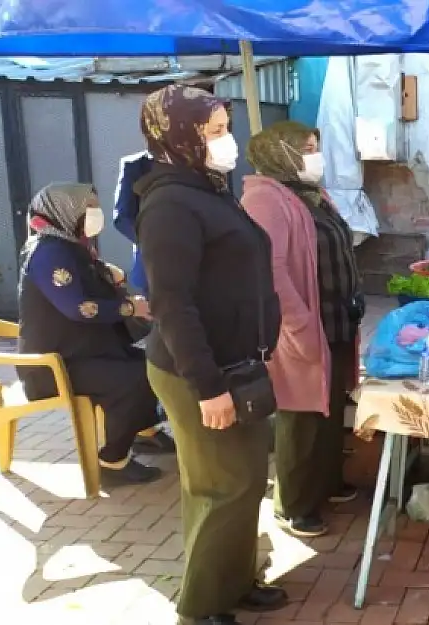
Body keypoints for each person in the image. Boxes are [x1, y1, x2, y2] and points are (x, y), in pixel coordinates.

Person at [135, 85, 287, 625]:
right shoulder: (169, 204)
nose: (229, 142)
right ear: (179, 136)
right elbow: (172, 305)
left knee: (244, 480)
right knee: (220, 487)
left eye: (227, 129)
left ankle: (237, 579)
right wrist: (208, 387)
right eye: (216, 132)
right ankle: (201, 606)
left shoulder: (207, 187)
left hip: (235, 363)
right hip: (196, 370)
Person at [243, 121, 364, 538]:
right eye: (308, 148)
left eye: (316, 146)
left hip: (335, 318)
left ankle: (326, 484)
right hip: (301, 323)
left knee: (329, 406)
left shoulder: (312, 194)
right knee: (301, 412)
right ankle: (293, 504)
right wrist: (298, 322)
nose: (317, 156)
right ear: (283, 153)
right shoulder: (264, 199)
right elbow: (270, 270)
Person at [16, 183, 165, 487]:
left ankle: (145, 432)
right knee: (134, 377)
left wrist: (107, 276)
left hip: (79, 353)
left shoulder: (69, 246)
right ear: (65, 212)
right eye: (88, 208)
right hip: (52, 367)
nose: (94, 215)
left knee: (154, 362)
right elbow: (78, 307)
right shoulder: (49, 253)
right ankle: (112, 461)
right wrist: (129, 308)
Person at [112, 150, 155, 296]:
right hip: (152, 265)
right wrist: (153, 243)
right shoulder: (135, 166)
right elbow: (122, 217)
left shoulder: (196, 161)